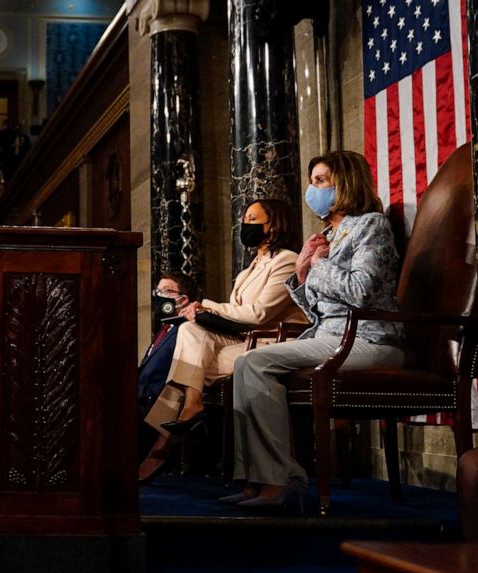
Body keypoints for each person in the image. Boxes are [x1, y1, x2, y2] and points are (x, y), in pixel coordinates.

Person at [225, 150, 405, 509]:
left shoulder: (371, 225)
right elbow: (318, 311)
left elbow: (361, 291)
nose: (313, 189)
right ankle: (256, 479)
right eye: (312, 182)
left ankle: (281, 481)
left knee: (255, 363)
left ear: (347, 183)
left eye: (321, 181)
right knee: (247, 363)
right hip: (333, 336)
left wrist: (318, 265)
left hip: (369, 338)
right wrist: (304, 274)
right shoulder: (328, 233)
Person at [138, 198, 307, 483]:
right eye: (244, 219)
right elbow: (236, 319)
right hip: (243, 339)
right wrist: (205, 314)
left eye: (253, 218)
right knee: (189, 331)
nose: (245, 224)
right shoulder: (247, 270)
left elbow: (259, 313)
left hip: (273, 342)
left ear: (273, 224)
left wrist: (208, 306)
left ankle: (158, 452)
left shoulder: (287, 261)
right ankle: (191, 406)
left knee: (186, 367)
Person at [137, 272, 199, 461]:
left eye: (166, 291)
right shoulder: (165, 330)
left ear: (183, 299)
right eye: (158, 291)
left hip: (156, 402)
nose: (159, 296)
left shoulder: (188, 329)